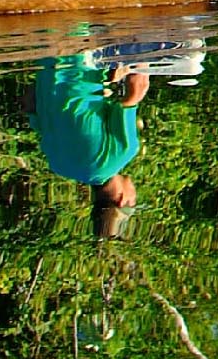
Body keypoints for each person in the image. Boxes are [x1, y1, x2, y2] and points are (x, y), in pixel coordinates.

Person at [31, 53, 146, 238]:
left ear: (122, 199)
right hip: (46, 63)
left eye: (134, 201)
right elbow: (31, 108)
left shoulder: (123, 153)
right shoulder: (58, 165)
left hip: (82, 59)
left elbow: (136, 87)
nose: (136, 194)